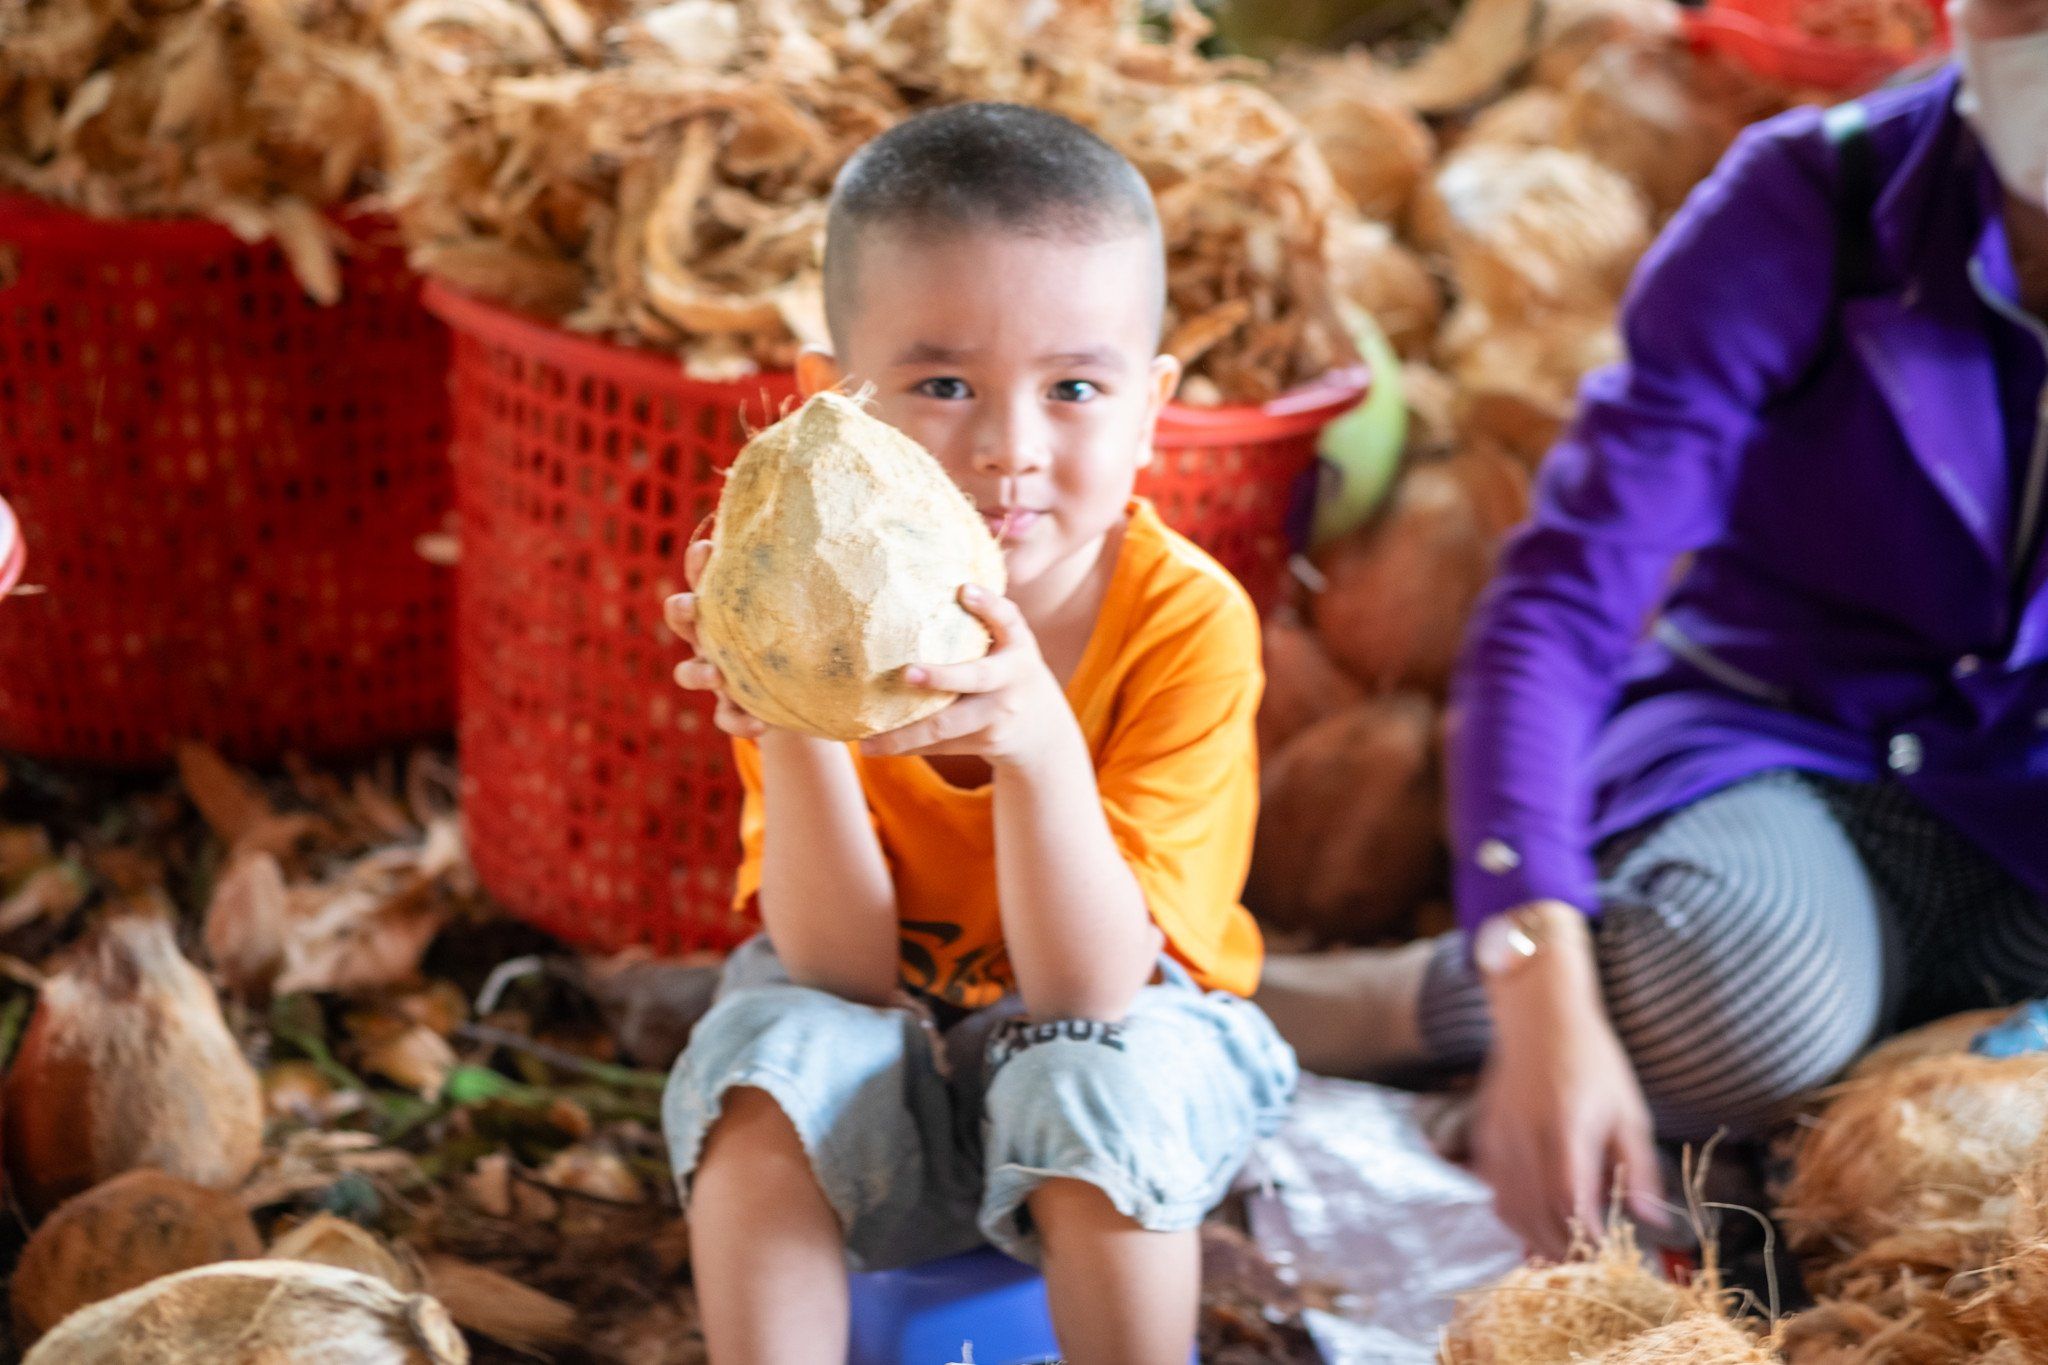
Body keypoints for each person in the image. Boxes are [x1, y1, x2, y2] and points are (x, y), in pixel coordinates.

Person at [1258, 0, 2048, 1259]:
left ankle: (1741, 1098)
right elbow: (1562, 598)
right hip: (1791, 744)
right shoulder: (1818, 195)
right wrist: (1538, 986)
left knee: (1956, 1131)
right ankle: (1428, 1002)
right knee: (1741, 1004)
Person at [658, 103, 1297, 1365]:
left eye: (1073, 389)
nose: (1010, 450)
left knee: (1086, 1082)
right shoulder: (793, 614)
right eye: (943, 385)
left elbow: (1093, 995)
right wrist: (791, 713)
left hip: (1127, 1035)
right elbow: (838, 974)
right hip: (887, 1040)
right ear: (828, 410)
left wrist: (1038, 746)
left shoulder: (1183, 623)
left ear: (1150, 407)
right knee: (763, 1062)